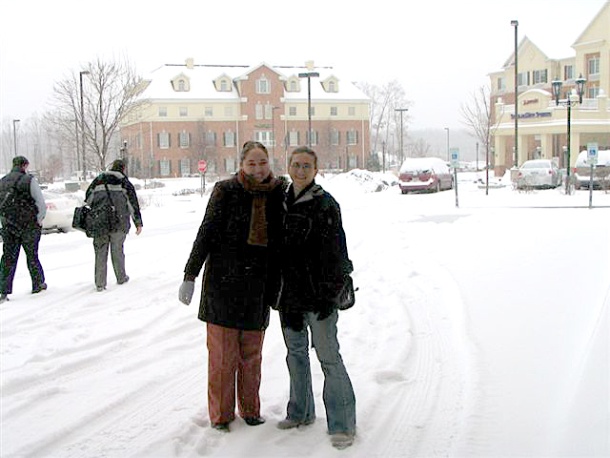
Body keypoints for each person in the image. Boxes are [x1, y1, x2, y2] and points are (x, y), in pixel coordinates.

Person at [179, 141, 284, 432]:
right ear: (241, 164)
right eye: (252, 163)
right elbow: (206, 233)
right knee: (223, 359)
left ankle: (250, 410)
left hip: (257, 288)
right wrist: (191, 273)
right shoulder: (225, 191)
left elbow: (283, 244)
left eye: (262, 162)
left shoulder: (277, 194)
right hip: (223, 286)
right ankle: (222, 415)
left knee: (251, 357)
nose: (258, 168)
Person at [276, 146, 356, 450]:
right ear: (288, 167)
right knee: (295, 355)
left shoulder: (325, 205)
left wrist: (329, 295)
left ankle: (342, 424)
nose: (300, 170)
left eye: (306, 165)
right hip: (290, 298)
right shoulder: (280, 202)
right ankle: (300, 412)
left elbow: (338, 254)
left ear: (316, 169)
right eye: (295, 165)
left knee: (329, 359)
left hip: (319, 298)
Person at [85, 159, 143, 291]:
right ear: (123, 169)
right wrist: (138, 223)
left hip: (100, 222)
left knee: (100, 252)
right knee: (117, 250)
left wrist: (99, 207)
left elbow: (88, 197)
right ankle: (121, 277)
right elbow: (132, 204)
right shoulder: (123, 182)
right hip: (119, 221)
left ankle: (100, 283)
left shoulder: (99, 180)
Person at [0, 156, 47, 302]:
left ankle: (3, 290)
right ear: (25, 165)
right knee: (32, 256)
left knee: (8, 258)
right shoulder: (29, 180)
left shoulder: (2, 182)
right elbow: (40, 203)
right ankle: (37, 283)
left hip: (9, 226)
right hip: (29, 225)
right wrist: (38, 220)